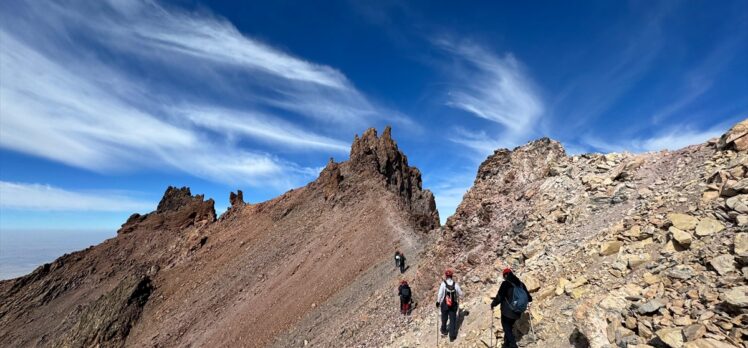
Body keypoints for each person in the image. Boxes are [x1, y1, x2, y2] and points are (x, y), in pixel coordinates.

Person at [490, 268, 532, 348]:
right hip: (518, 311)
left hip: (507, 312)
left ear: (505, 276)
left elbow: (499, 297)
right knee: (509, 327)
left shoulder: (505, 284)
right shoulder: (520, 284)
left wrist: (493, 304)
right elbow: (529, 297)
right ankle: (506, 343)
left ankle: (513, 345)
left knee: (506, 327)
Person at [435, 269, 463, 342]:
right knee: (452, 319)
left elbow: (440, 294)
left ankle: (444, 330)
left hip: (444, 304)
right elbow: (461, 294)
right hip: (453, 305)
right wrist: (457, 296)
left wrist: (438, 302)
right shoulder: (455, 284)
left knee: (444, 318)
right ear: (451, 276)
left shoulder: (443, 284)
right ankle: (452, 336)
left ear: (446, 276)